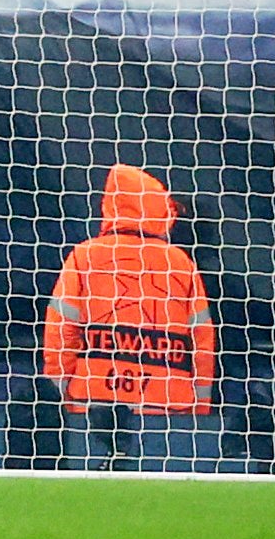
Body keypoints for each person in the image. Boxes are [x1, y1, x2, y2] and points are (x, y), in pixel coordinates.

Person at [41, 161, 214, 468]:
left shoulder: (85, 255)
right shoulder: (180, 262)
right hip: (168, 409)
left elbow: (61, 330)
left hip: (92, 405)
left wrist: (59, 394)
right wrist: (199, 406)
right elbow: (202, 339)